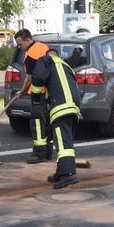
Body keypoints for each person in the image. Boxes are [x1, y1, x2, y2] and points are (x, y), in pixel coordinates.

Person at [31, 48, 82, 189]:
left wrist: (35, 98)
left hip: (61, 106)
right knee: (64, 140)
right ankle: (61, 172)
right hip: (73, 106)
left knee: (63, 142)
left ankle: (68, 174)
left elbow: (38, 77)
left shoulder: (45, 60)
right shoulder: (66, 66)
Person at [13, 29, 53, 164]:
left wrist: (22, 91)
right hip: (49, 94)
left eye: (20, 44)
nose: (19, 47)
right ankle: (47, 152)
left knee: (37, 124)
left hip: (38, 96)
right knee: (47, 123)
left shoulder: (31, 54)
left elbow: (29, 79)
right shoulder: (44, 47)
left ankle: (39, 154)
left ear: (28, 40)